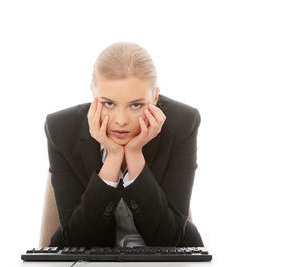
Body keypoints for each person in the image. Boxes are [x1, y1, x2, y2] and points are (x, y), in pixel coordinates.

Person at [44, 42, 204, 248]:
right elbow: (76, 241)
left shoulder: (182, 123)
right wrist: (112, 158)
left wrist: (134, 154)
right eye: (108, 103)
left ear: (154, 97)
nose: (120, 120)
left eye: (136, 105)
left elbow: (169, 240)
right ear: (93, 93)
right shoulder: (62, 129)